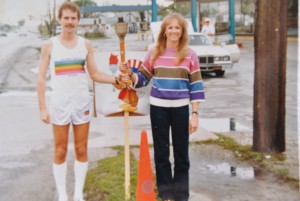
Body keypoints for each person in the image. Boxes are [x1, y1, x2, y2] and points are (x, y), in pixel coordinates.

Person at [37, 2, 124, 201]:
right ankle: (63, 195)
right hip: (59, 103)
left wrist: (116, 79)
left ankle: (78, 194)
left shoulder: (85, 44)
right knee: (59, 150)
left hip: (81, 103)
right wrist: (42, 107)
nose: (69, 22)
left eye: (73, 18)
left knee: (81, 148)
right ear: (59, 19)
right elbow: (41, 78)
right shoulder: (49, 45)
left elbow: (94, 73)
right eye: (66, 18)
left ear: (78, 20)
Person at [120, 13, 205, 201]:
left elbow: (196, 86)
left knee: (181, 155)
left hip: (181, 109)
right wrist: (131, 74)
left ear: (182, 31)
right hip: (158, 108)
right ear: (164, 31)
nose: (174, 31)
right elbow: (142, 79)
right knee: (161, 153)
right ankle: (166, 194)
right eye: (170, 27)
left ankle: (181, 196)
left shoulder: (190, 54)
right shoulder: (154, 51)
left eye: (177, 27)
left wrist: (195, 114)